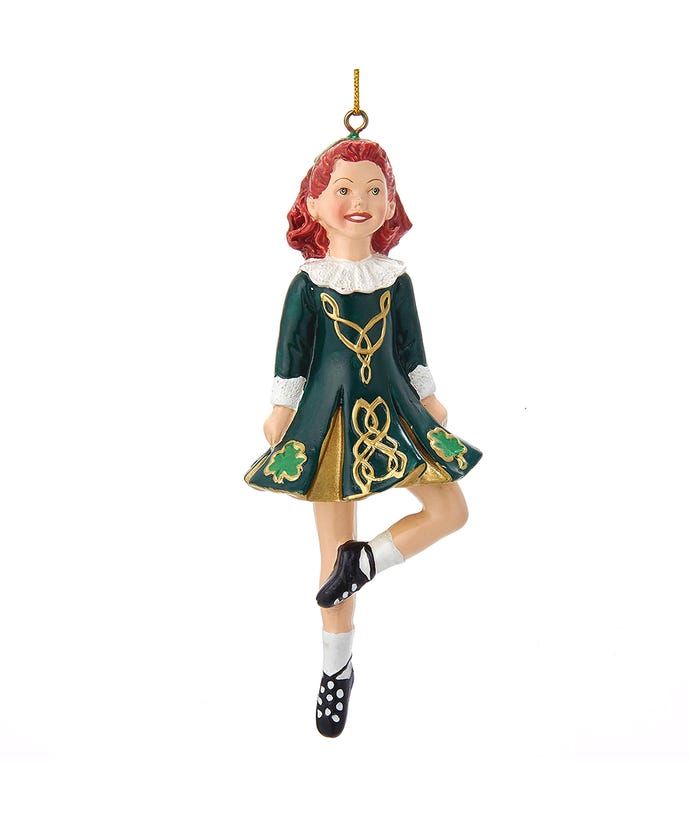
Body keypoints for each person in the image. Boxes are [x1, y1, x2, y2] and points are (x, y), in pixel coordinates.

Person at [245, 138, 482, 737]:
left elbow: (411, 346)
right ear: (314, 205)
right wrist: (281, 407)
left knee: (450, 510)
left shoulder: (395, 280)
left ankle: (368, 560)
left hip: (394, 412)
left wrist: (429, 396)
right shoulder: (309, 284)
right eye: (344, 189)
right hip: (326, 421)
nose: (361, 200)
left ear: (391, 204)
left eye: (376, 189)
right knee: (330, 556)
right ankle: (336, 668)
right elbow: (291, 353)